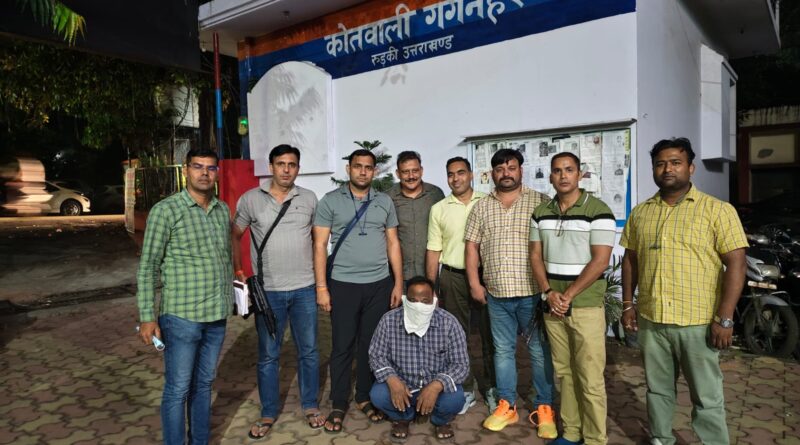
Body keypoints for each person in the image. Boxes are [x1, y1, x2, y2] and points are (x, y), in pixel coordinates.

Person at [620, 137, 747, 445]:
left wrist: (725, 318)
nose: (667, 169)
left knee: (706, 395)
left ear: (690, 168)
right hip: (653, 320)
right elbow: (630, 260)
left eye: (676, 163)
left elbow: (737, 263)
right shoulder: (641, 213)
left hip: (698, 323)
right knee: (658, 390)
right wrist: (627, 304)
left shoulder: (717, 210)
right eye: (660, 164)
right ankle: (661, 438)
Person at [136, 148, 232, 445]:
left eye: (211, 168)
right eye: (198, 166)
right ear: (185, 170)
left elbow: (224, 258)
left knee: (203, 384)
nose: (205, 173)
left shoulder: (222, 210)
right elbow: (148, 266)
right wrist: (147, 317)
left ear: (217, 173)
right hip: (181, 317)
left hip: (216, 316)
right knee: (178, 389)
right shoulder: (166, 210)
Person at [231, 144, 324, 439]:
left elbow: (318, 241)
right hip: (268, 292)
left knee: (309, 351)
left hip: (304, 289)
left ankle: (310, 405)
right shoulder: (251, 199)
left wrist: (320, 283)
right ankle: (268, 411)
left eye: (292, 164)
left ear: (298, 168)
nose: (286, 169)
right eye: (281, 164)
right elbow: (235, 234)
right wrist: (238, 270)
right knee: (269, 355)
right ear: (271, 167)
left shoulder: (308, 198)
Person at [464, 148, 556, 437]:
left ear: (520, 170)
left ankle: (544, 407)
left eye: (511, 167)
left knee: (538, 351)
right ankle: (507, 406)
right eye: (500, 169)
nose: (506, 173)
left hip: (532, 292)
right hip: (497, 294)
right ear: (492, 173)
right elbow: (471, 247)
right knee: (502, 351)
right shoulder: (481, 207)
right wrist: (474, 283)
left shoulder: (540, 202)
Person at [313, 148, 404, 433]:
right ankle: (339, 402)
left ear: (374, 171)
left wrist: (398, 282)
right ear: (348, 169)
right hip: (342, 284)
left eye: (368, 167)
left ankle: (364, 396)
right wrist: (321, 287)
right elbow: (319, 245)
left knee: (370, 345)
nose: (363, 171)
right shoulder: (330, 201)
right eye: (357, 166)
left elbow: (393, 243)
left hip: (379, 284)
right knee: (342, 345)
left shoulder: (384, 201)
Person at [529, 152, 615, 445]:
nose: (563, 175)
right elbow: (535, 255)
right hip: (553, 306)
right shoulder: (541, 212)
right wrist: (548, 292)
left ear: (580, 174)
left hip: (585, 306)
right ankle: (572, 432)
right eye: (557, 171)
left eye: (568, 170)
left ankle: (595, 439)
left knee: (589, 377)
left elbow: (600, 261)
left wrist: (567, 295)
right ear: (550, 176)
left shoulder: (598, 210)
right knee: (564, 373)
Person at [426, 157, 496, 415]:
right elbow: (434, 249)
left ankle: (492, 387)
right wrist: (432, 287)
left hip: (487, 277)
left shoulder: (488, 202)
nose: (456, 178)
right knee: (458, 337)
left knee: (491, 335)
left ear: (471, 175)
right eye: (451, 174)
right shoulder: (439, 209)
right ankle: (465, 388)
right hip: (453, 277)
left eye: (461, 173)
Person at [368, 276, 469, 442]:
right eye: (413, 300)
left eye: (425, 301)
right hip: (403, 385)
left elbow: (461, 365)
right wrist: (393, 380)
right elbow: (376, 355)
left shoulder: (449, 323)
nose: (418, 306)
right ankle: (403, 417)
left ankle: (440, 420)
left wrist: (436, 386)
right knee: (378, 395)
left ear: (433, 300)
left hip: (436, 387)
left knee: (456, 399)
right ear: (405, 299)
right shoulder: (388, 320)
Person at [388, 151, 445, 282]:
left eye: (415, 171)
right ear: (397, 173)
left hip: (430, 274)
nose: (411, 176)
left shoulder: (435, 194)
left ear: (421, 171)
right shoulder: (388, 197)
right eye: (405, 172)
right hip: (399, 276)